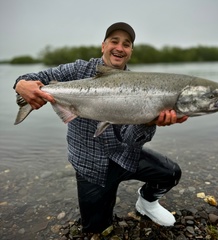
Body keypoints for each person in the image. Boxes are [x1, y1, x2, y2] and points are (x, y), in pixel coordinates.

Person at [14, 22, 188, 238]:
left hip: (123, 155)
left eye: (126, 44)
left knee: (171, 173)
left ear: (130, 51)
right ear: (103, 45)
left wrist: (148, 122)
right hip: (90, 164)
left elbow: (130, 141)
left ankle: (147, 203)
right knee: (96, 229)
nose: (119, 47)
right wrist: (20, 84)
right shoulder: (78, 70)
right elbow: (31, 77)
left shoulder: (140, 86)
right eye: (114, 41)